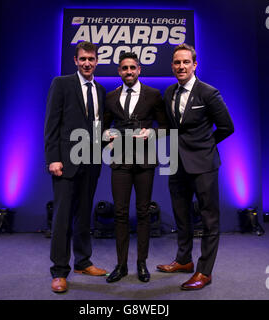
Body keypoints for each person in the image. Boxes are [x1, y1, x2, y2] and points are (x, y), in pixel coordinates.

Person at [157, 43, 234, 290]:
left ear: (194, 65)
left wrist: (205, 145)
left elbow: (227, 127)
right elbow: (172, 127)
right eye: (177, 63)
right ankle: (183, 261)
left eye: (186, 62)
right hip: (176, 164)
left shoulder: (209, 93)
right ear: (172, 66)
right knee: (181, 216)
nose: (181, 66)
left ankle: (204, 271)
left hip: (203, 165)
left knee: (209, 219)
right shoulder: (169, 92)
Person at [44, 41, 107, 293]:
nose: (87, 63)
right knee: (62, 219)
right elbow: (52, 124)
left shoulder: (100, 90)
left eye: (91, 59)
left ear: (96, 61)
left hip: (91, 163)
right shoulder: (61, 84)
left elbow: (96, 127)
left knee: (84, 215)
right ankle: (59, 271)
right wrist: (53, 158)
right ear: (75, 60)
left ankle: (83, 261)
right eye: (83, 59)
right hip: (66, 163)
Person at [103, 52, 168, 283]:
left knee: (142, 213)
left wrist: (152, 133)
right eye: (124, 68)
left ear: (139, 69)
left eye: (132, 67)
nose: (128, 72)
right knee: (120, 213)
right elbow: (101, 129)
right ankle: (121, 265)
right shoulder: (110, 97)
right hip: (119, 161)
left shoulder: (153, 95)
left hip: (144, 161)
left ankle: (142, 263)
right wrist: (106, 136)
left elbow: (165, 127)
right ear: (119, 71)